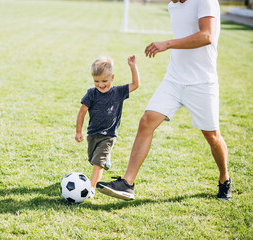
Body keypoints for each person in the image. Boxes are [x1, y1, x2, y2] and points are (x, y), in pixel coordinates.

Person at [97, 0, 232, 201]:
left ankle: (224, 178)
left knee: (212, 136)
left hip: (202, 83)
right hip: (174, 79)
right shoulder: (173, 6)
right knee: (146, 121)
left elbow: (207, 36)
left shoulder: (205, 1)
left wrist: (166, 44)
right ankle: (127, 183)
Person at [75, 55, 140, 197]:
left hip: (109, 135)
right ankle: (106, 159)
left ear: (112, 78)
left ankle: (91, 188)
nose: (101, 84)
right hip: (93, 134)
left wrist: (133, 67)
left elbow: (135, 85)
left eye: (105, 81)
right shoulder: (91, 93)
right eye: (96, 81)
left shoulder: (118, 92)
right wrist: (78, 131)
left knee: (98, 163)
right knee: (93, 160)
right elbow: (82, 112)